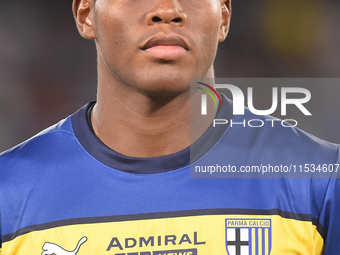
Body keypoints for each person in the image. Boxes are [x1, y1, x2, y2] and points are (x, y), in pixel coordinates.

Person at [0, 0, 339, 254]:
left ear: (224, 16)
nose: (167, 10)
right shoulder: (8, 194)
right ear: (86, 13)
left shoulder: (320, 184)